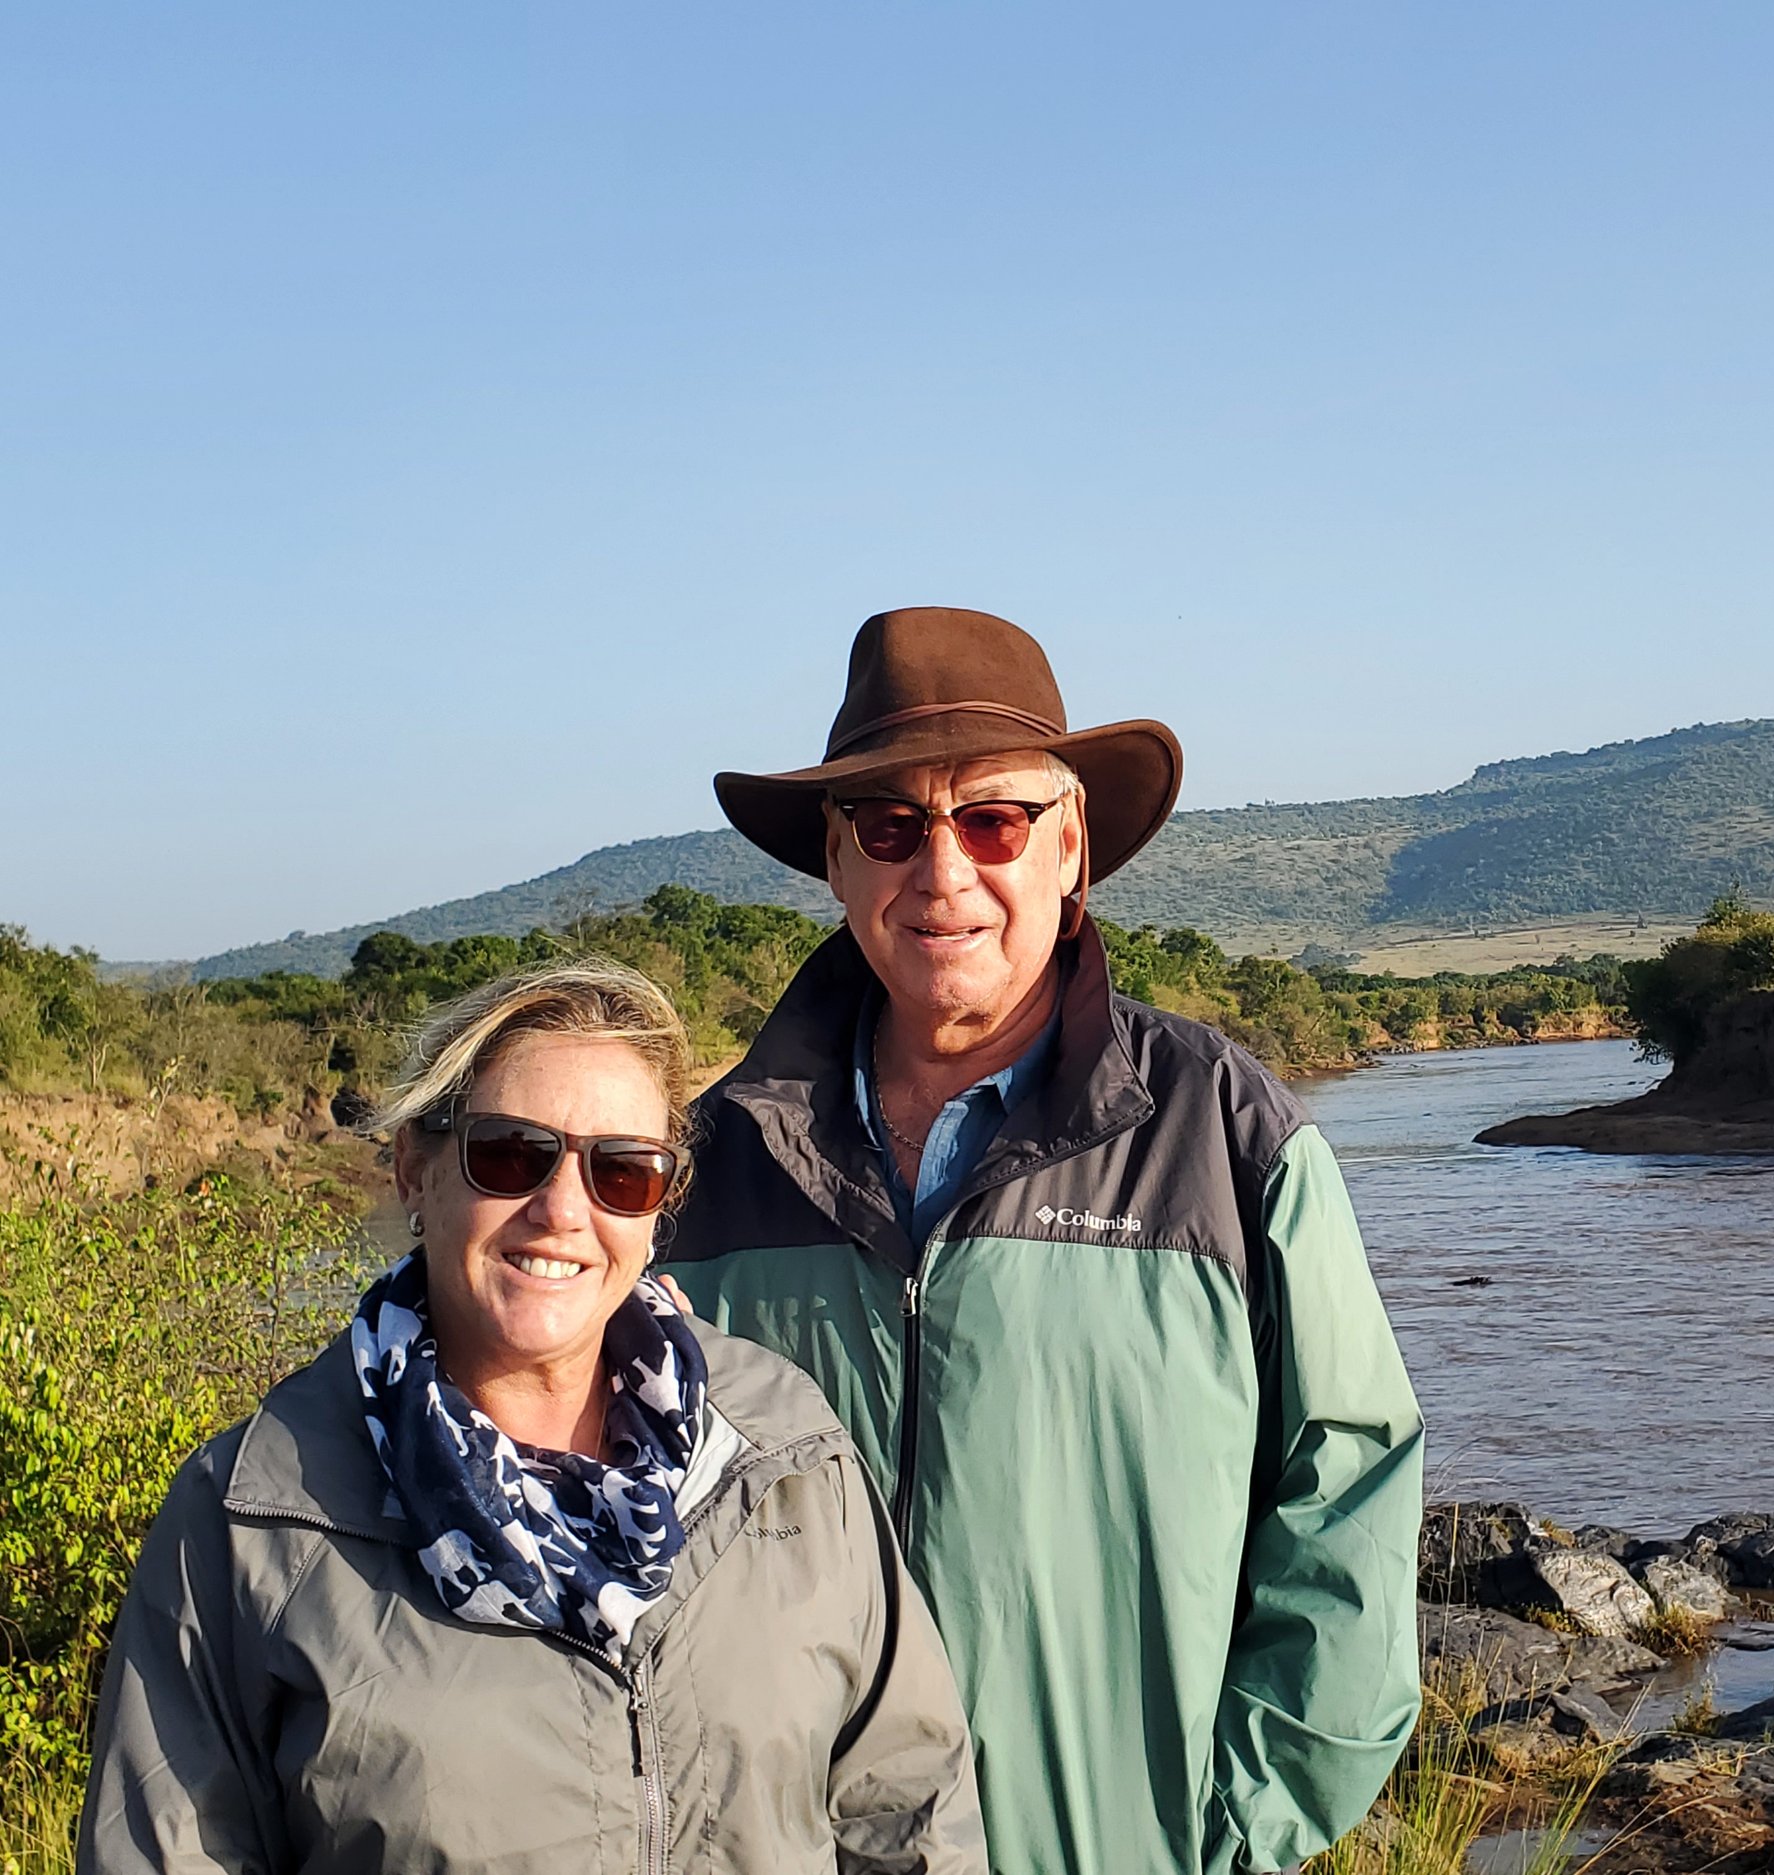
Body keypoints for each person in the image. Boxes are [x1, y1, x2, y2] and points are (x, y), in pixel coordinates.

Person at [666, 606, 1426, 1875]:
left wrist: (1228, 1829)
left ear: (1069, 846)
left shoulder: (1225, 1139)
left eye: (993, 821)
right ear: (837, 864)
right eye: (893, 827)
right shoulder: (699, 1175)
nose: (944, 872)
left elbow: (1348, 1485)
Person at [80, 961, 986, 1875]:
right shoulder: (256, 1519)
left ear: (659, 1206)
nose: (561, 1210)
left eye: (622, 1171)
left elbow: (908, 1805)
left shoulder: (781, 1456)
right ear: (415, 1172)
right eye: (513, 1154)